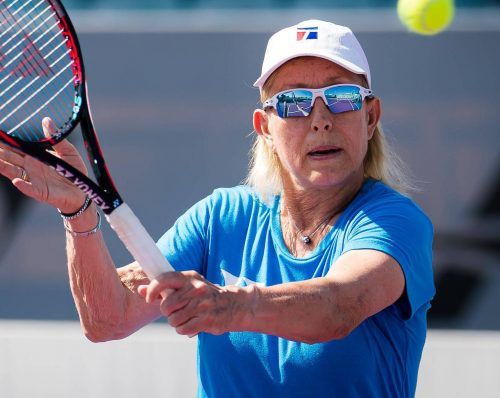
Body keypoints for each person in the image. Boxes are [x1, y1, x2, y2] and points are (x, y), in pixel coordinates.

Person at [0, 19, 435, 397]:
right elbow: (107, 319)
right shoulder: (221, 216)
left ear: (370, 117)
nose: (320, 119)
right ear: (265, 128)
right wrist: (79, 212)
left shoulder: (397, 222)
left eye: (341, 97)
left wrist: (230, 306)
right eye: (294, 103)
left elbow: (338, 306)